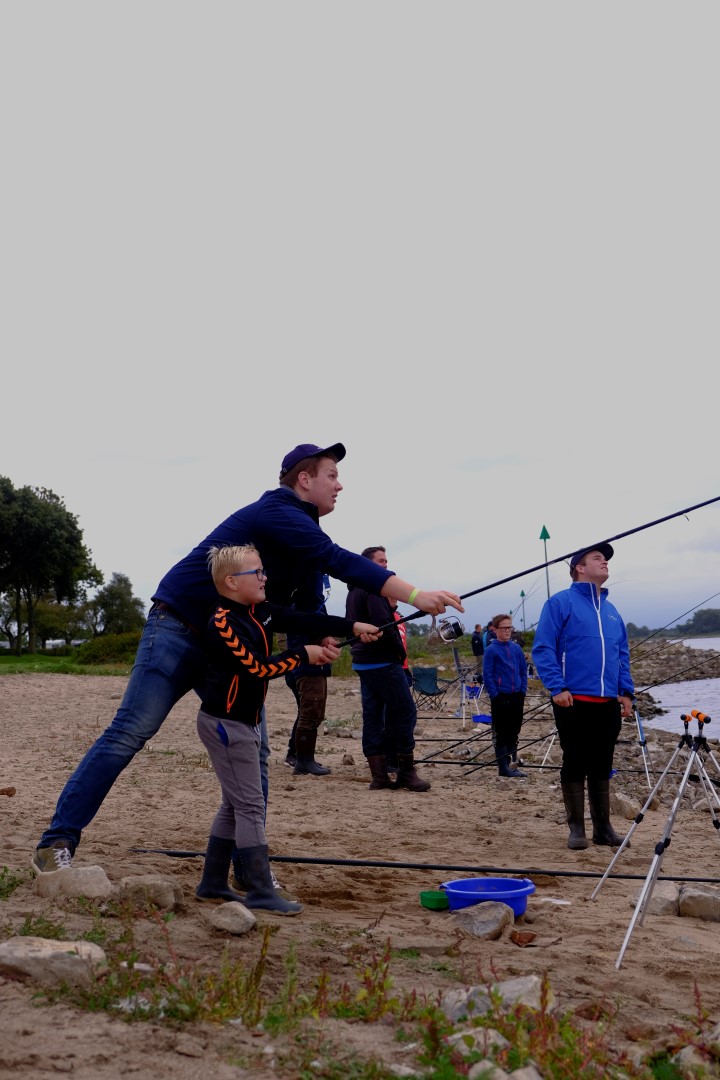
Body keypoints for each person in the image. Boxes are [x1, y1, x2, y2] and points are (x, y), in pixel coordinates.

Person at [33, 440, 463, 874]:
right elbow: (337, 559)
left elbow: (301, 609)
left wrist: (342, 630)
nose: (340, 485)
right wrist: (414, 594)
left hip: (229, 647)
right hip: (179, 627)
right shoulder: (277, 510)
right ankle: (56, 843)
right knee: (130, 732)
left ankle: (248, 866)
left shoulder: (305, 539)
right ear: (303, 479)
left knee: (253, 751)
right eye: (332, 475)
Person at [195, 543, 379, 914]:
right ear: (231, 582)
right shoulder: (224, 623)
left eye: (263, 570)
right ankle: (260, 889)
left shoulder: (259, 611)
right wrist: (302, 655)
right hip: (226, 726)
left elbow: (302, 620)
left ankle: (212, 882)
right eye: (257, 572)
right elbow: (257, 668)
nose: (265, 578)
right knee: (250, 805)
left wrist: (352, 627)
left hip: (242, 723)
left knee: (234, 804)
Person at [532, 543, 634, 851]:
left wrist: (626, 692)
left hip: (608, 703)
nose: (605, 562)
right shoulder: (559, 603)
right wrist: (556, 687)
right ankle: (576, 829)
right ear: (579, 567)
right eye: (597, 558)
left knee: (602, 763)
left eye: (605, 559)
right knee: (575, 761)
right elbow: (543, 648)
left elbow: (622, 655)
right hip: (572, 700)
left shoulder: (613, 611)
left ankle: (603, 828)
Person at [346, 546, 430, 793]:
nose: (385, 565)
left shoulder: (354, 590)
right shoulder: (372, 588)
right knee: (405, 711)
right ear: (368, 564)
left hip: (363, 661)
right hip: (382, 661)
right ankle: (405, 772)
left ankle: (380, 776)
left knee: (373, 716)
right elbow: (384, 624)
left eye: (386, 561)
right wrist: (399, 653)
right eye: (380, 561)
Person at [283, 570, 334, 777]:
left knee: (314, 712)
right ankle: (302, 760)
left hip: (314, 664)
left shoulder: (312, 603)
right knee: (310, 711)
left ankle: (304, 758)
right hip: (308, 666)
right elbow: (309, 627)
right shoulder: (305, 602)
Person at [482, 615, 528, 778]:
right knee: (501, 733)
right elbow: (487, 675)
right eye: (504, 628)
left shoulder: (516, 649)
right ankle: (503, 767)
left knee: (514, 731)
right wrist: (495, 696)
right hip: (500, 697)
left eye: (510, 628)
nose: (508, 631)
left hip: (517, 696)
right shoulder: (491, 651)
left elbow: (523, 671)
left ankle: (512, 765)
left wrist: (523, 691)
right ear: (495, 629)